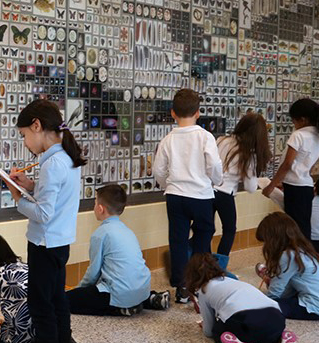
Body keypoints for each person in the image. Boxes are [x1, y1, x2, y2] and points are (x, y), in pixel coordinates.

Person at [8, 99, 87, 343]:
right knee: (55, 299)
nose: (26, 143)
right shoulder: (64, 158)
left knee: (41, 304)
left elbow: (43, 213)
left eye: (24, 135)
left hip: (44, 242)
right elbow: (52, 198)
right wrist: (30, 187)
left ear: (37, 126)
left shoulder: (53, 164)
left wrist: (18, 197)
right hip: (59, 241)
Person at [153, 88, 223, 304]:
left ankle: (181, 287)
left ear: (173, 113)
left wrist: (168, 185)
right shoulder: (205, 137)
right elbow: (214, 165)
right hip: (201, 195)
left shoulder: (168, 139)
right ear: (198, 113)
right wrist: (216, 181)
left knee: (178, 241)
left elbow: (158, 170)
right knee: (203, 239)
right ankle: (200, 285)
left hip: (175, 196)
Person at [66, 184, 169, 315]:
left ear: (100, 209)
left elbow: (93, 273)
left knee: (66, 301)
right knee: (121, 287)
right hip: (142, 289)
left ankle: (120, 309)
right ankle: (150, 299)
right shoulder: (127, 230)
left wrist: (79, 289)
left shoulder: (100, 234)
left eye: (95, 203)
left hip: (119, 293)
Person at [185, 253, 297, 343]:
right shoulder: (232, 281)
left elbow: (208, 331)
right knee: (262, 337)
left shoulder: (204, 290)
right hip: (276, 318)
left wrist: (204, 325)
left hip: (245, 319)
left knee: (218, 330)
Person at [262, 98, 319, 239]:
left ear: (302, 119)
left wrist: (271, 186)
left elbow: (288, 164)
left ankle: (298, 256)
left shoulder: (298, 135)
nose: (294, 124)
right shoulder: (318, 137)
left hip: (294, 187)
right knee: (303, 226)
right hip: (306, 186)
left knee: (293, 227)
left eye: (294, 121)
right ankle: (305, 256)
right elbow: (309, 166)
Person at [213, 112, 271, 272]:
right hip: (225, 194)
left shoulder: (222, 140)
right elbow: (251, 188)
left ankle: (192, 255)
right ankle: (219, 267)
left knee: (205, 229)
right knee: (229, 230)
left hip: (208, 191)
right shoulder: (248, 154)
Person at [255, 212, 319, 320]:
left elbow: (276, 292)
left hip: (317, 308)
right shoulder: (302, 250)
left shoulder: (287, 256)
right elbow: (290, 287)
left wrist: (262, 302)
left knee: (262, 307)